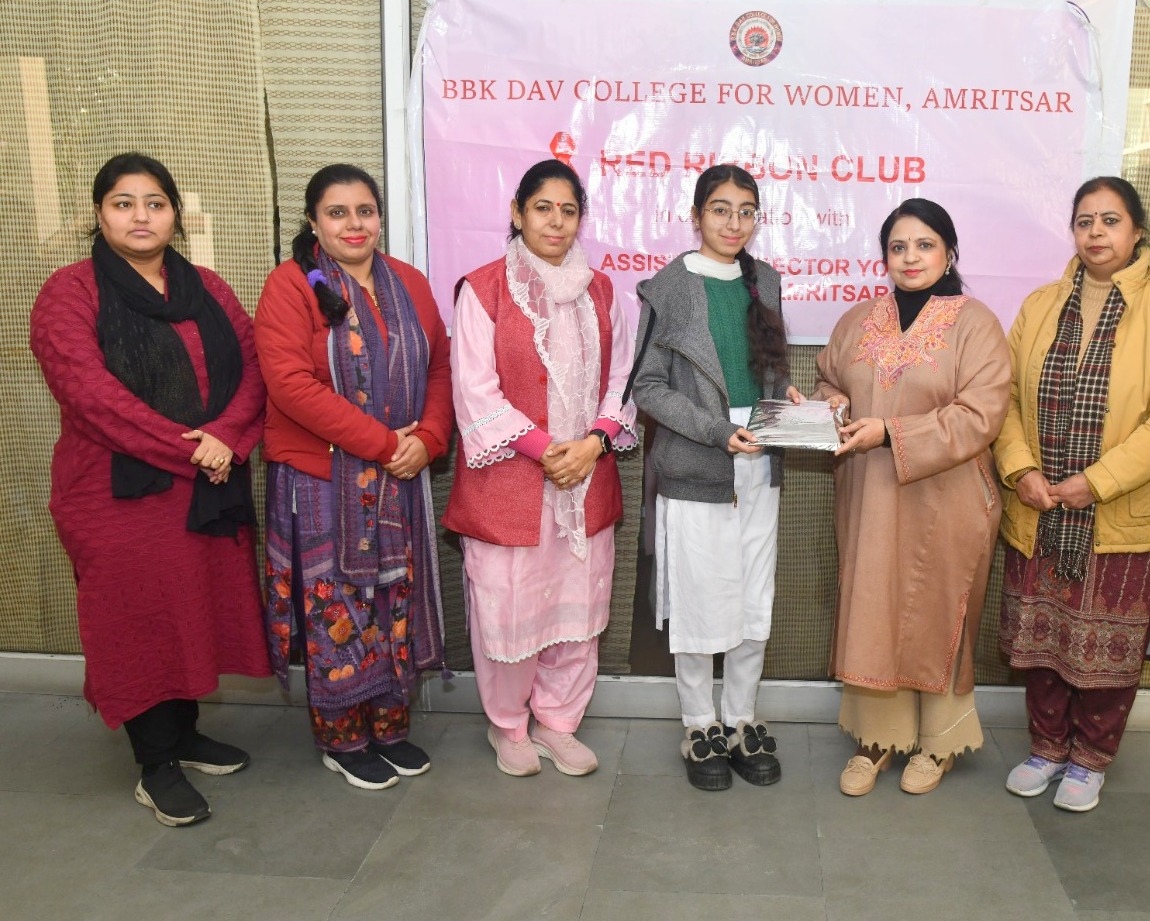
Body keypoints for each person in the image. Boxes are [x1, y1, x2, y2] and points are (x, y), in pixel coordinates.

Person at [30, 153, 269, 826]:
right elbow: (91, 397)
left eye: (155, 203)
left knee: (191, 608)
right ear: (98, 213)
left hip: (203, 484)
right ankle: (155, 763)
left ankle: (184, 734)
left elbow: (254, 369)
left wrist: (225, 436)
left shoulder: (208, 287)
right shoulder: (70, 293)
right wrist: (197, 449)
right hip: (116, 492)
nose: (141, 216)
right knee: (137, 620)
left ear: (175, 215)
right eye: (124, 203)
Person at [995, 177, 1150, 812]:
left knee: (1108, 647)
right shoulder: (1040, 305)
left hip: (1122, 514)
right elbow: (1004, 399)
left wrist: (1098, 482)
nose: (1096, 233)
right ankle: (1046, 747)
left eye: (1110, 221)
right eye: (1084, 221)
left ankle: (1090, 758)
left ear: (1137, 231)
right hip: (1041, 507)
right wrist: (1020, 469)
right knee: (1041, 638)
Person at [256, 164, 453, 790]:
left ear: (380, 218)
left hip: (399, 476)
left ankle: (389, 727)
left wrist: (428, 440)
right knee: (337, 609)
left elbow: (441, 367)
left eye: (365, 211)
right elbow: (291, 386)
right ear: (313, 222)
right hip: (322, 481)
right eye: (337, 213)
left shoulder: (409, 282)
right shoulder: (292, 285)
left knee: (394, 601)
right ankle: (342, 738)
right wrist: (384, 444)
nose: (353, 224)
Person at [443, 159, 637, 777]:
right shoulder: (483, 290)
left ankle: (559, 722)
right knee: (509, 611)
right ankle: (508, 726)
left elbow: (623, 380)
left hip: (586, 479)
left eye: (568, 210)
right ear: (517, 213)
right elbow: (474, 391)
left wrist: (594, 444)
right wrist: (550, 451)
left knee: (577, 613)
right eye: (543, 208)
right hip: (510, 482)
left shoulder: (602, 291)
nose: (556, 222)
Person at [813, 198, 1010, 797]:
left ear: (949, 253)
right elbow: (830, 381)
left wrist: (891, 433)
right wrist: (830, 405)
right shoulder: (858, 320)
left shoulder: (975, 323)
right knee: (874, 608)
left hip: (947, 500)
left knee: (936, 612)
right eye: (898, 247)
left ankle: (937, 743)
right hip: (870, 497)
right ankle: (875, 740)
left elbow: (981, 414)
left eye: (924, 245)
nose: (910, 257)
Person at [631, 164, 800, 791]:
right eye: (721, 209)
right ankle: (699, 724)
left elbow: (768, 368)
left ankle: (740, 719)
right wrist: (713, 429)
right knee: (700, 601)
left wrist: (786, 398)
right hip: (699, 465)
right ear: (696, 215)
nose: (734, 223)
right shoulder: (669, 288)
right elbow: (647, 387)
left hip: (761, 464)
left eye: (746, 211)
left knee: (754, 598)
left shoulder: (766, 281)